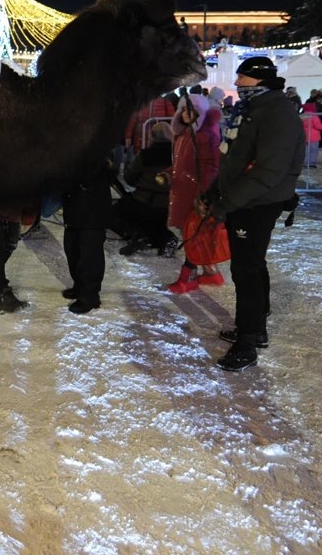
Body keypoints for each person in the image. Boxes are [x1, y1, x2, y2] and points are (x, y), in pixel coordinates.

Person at [196, 56, 304, 372]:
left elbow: (268, 170)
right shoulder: (254, 109)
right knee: (252, 264)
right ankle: (255, 328)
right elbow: (236, 160)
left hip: (257, 202)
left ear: (259, 80)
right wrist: (215, 190)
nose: (238, 84)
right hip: (245, 199)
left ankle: (247, 342)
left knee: (246, 270)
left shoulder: (277, 113)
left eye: (243, 78)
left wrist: (225, 204)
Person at [164, 89, 224, 292]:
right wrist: (168, 173)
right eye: (183, 110)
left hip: (196, 194)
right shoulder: (183, 134)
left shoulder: (205, 136)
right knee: (194, 233)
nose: (186, 114)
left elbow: (210, 166)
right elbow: (181, 164)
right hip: (183, 192)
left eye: (191, 110)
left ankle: (187, 276)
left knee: (193, 235)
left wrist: (204, 195)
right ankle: (210, 272)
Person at [59, 157, 115, 314]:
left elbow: (106, 174)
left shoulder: (99, 153)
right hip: (75, 208)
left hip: (92, 211)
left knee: (89, 255)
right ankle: (80, 286)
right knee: (73, 249)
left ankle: (89, 296)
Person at [111, 122, 175, 256]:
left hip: (143, 202)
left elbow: (129, 177)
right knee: (156, 223)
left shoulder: (145, 155)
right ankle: (164, 239)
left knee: (115, 213)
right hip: (167, 206)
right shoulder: (177, 156)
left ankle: (136, 233)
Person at [300, 90, 322, 167]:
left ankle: (305, 162)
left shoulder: (301, 117)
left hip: (305, 137)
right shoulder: (314, 117)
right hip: (314, 138)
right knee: (313, 151)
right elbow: (318, 126)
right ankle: (312, 163)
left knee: (305, 151)